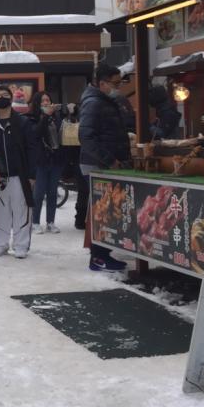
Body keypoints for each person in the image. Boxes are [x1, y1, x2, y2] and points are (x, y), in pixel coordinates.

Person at [79, 63, 132, 272]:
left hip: (102, 162)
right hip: (97, 165)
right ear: (102, 83)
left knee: (107, 210)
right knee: (103, 211)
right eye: (115, 83)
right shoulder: (93, 103)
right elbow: (86, 137)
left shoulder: (104, 100)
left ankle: (102, 254)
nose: (118, 87)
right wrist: (110, 160)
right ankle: (98, 257)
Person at [0, 85, 39, 258]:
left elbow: (33, 149)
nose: (1, 97)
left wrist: (32, 174)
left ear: (11, 99)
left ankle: (21, 245)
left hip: (20, 174)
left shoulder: (23, 122)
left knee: (21, 210)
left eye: (5, 95)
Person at [28, 92, 66, 235]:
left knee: (52, 193)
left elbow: (64, 133)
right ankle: (35, 222)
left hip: (56, 159)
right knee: (38, 194)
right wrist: (45, 116)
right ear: (37, 103)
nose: (46, 102)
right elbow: (35, 134)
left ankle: (51, 222)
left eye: (48, 100)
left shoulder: (57, 118)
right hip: (40, 160)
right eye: (43, 100)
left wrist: (71, 114)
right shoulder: (32, 118)